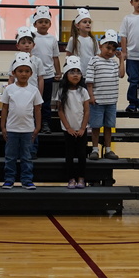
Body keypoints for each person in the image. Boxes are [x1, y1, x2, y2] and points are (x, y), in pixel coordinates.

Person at [0, 52, 43, 190]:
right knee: (10, 157)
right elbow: (4, 109)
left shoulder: (34, 90)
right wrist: (3, 127)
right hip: (12, 129)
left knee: (26, 157)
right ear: (14, 73)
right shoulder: (9, 89)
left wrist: (37, 127)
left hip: (27, 130)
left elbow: (37, 110)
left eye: (26, 71)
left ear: (31, 73)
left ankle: (27, 179)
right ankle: (9, 179)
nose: (23, 74)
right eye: (20, 71)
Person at [86, 29, 124, 160]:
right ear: (100, 46)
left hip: (111, 101)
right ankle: (95, 149)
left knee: (109, 126)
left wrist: (121, 59)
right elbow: (89, 81)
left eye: (113, 50)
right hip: (98, 101)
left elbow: (122, 74)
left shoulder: (113, 63)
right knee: (96, 127)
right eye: (108, 48)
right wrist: (91, 96)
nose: (110, 52)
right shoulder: (94, 61)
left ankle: (108, 149)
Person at [58, 56, 90, 189]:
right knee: (70, 155)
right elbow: (60, 111)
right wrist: (68, 128)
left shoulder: (83, 91)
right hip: (68, 130)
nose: (75, 75)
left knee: (82, 155)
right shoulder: (61, 92)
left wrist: (82, 128)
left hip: (81, 129)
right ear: (66, 75)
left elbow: (87, 111)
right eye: (72, 72)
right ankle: (71, 178)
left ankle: (81, 178)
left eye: (78, 72)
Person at [31, 6, 60, 134]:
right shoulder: (31, 38)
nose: (43, 24)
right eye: (40, 22)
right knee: (32, 101)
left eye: (46, 22)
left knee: (46, 102)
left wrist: (58, 72)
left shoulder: (52, 39)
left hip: (48, 75)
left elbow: (55, 57)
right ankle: (32, 122)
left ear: (50, 24)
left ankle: (45, 123)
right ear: (35, 24)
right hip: (32, 76)